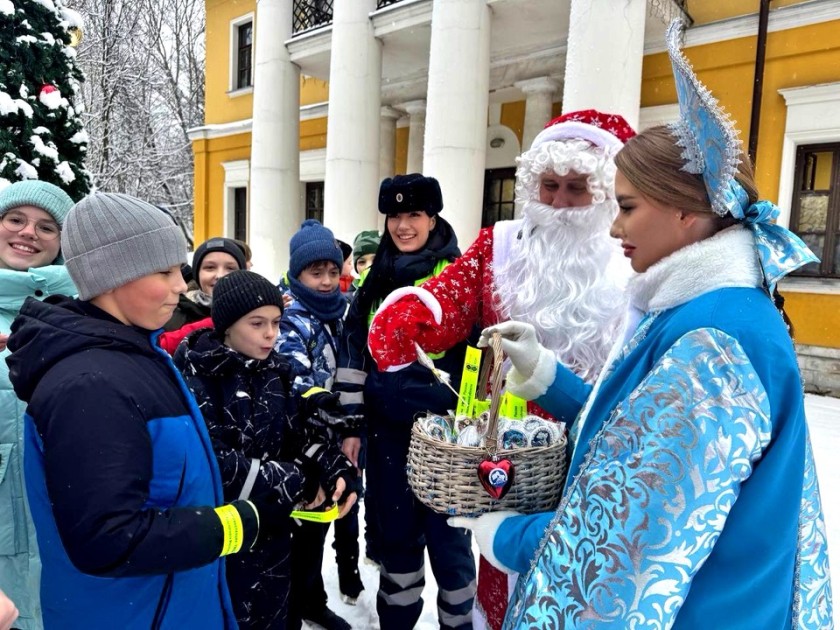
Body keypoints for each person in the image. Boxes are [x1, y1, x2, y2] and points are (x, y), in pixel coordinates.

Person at [450, 20, 833, 629]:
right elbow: (638, 442)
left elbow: (625, 538)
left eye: (626, 207)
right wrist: (550, 377)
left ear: (687, 212)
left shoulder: (713, 345)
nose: (612, 227)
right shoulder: (709, 312)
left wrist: (508, 536)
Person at [366, 109, 635, 629]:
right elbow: (451, 296)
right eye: (549, 185)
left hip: (602, 461)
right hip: (506, 463)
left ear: (606, 192)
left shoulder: (634, 256)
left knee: (586, 590)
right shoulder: (503, 245)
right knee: (503, 589)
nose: (558, 203)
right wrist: (413, 312)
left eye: (577, 187)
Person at [4, 193, 315, 628]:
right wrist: (237, 524)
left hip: (168, 605)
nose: (181, 285)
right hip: (132, 614)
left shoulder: (137, 355)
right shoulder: (91, 384)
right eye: (165, 271)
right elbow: (108, 538)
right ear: (112, 276)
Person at [174, 269, 358, 628]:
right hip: (226, 548)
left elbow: (297, 435)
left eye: (276, 322)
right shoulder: (199, 380)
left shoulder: (275, 371)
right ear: (226, 325)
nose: (271, 333)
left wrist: (333, 466)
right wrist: (299, 482)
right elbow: (217, 466)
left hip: (276, 546)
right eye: (257, 323)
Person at [336, 173, 476, 630]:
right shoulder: (374, 282)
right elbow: (353, 351)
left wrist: (465, 418)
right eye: (394, 215)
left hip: (447, 438)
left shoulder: (457, 276)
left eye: (413, 214)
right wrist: (352, 424)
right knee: (395, 539)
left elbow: (480, 353)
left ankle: (458, 622)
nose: (403, 225)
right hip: (387, 432)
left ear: (432, 218)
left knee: (451, 541)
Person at [274, 220, 357, 629]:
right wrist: (317, 398)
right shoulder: (292, 316)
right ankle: (291, 606)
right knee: (301, 530)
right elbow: (292, 371)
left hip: (331, 434)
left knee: (320, 522)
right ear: (297, 273)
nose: (326, 281)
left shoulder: (339, 313)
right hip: (300, 440)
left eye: (331, 271)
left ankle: (311, 597)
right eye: (315, 272)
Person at [0, 181, 76, 630]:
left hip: (63, 514)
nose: (29, 232)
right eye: (15, 219)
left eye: (47, 226)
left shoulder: (81, 312)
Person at [159, 236, 246, 352]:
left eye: (230, 268)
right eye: (210, 267)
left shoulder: (258, 313)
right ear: (197, 274)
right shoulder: (171, 315)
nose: (220, 275)